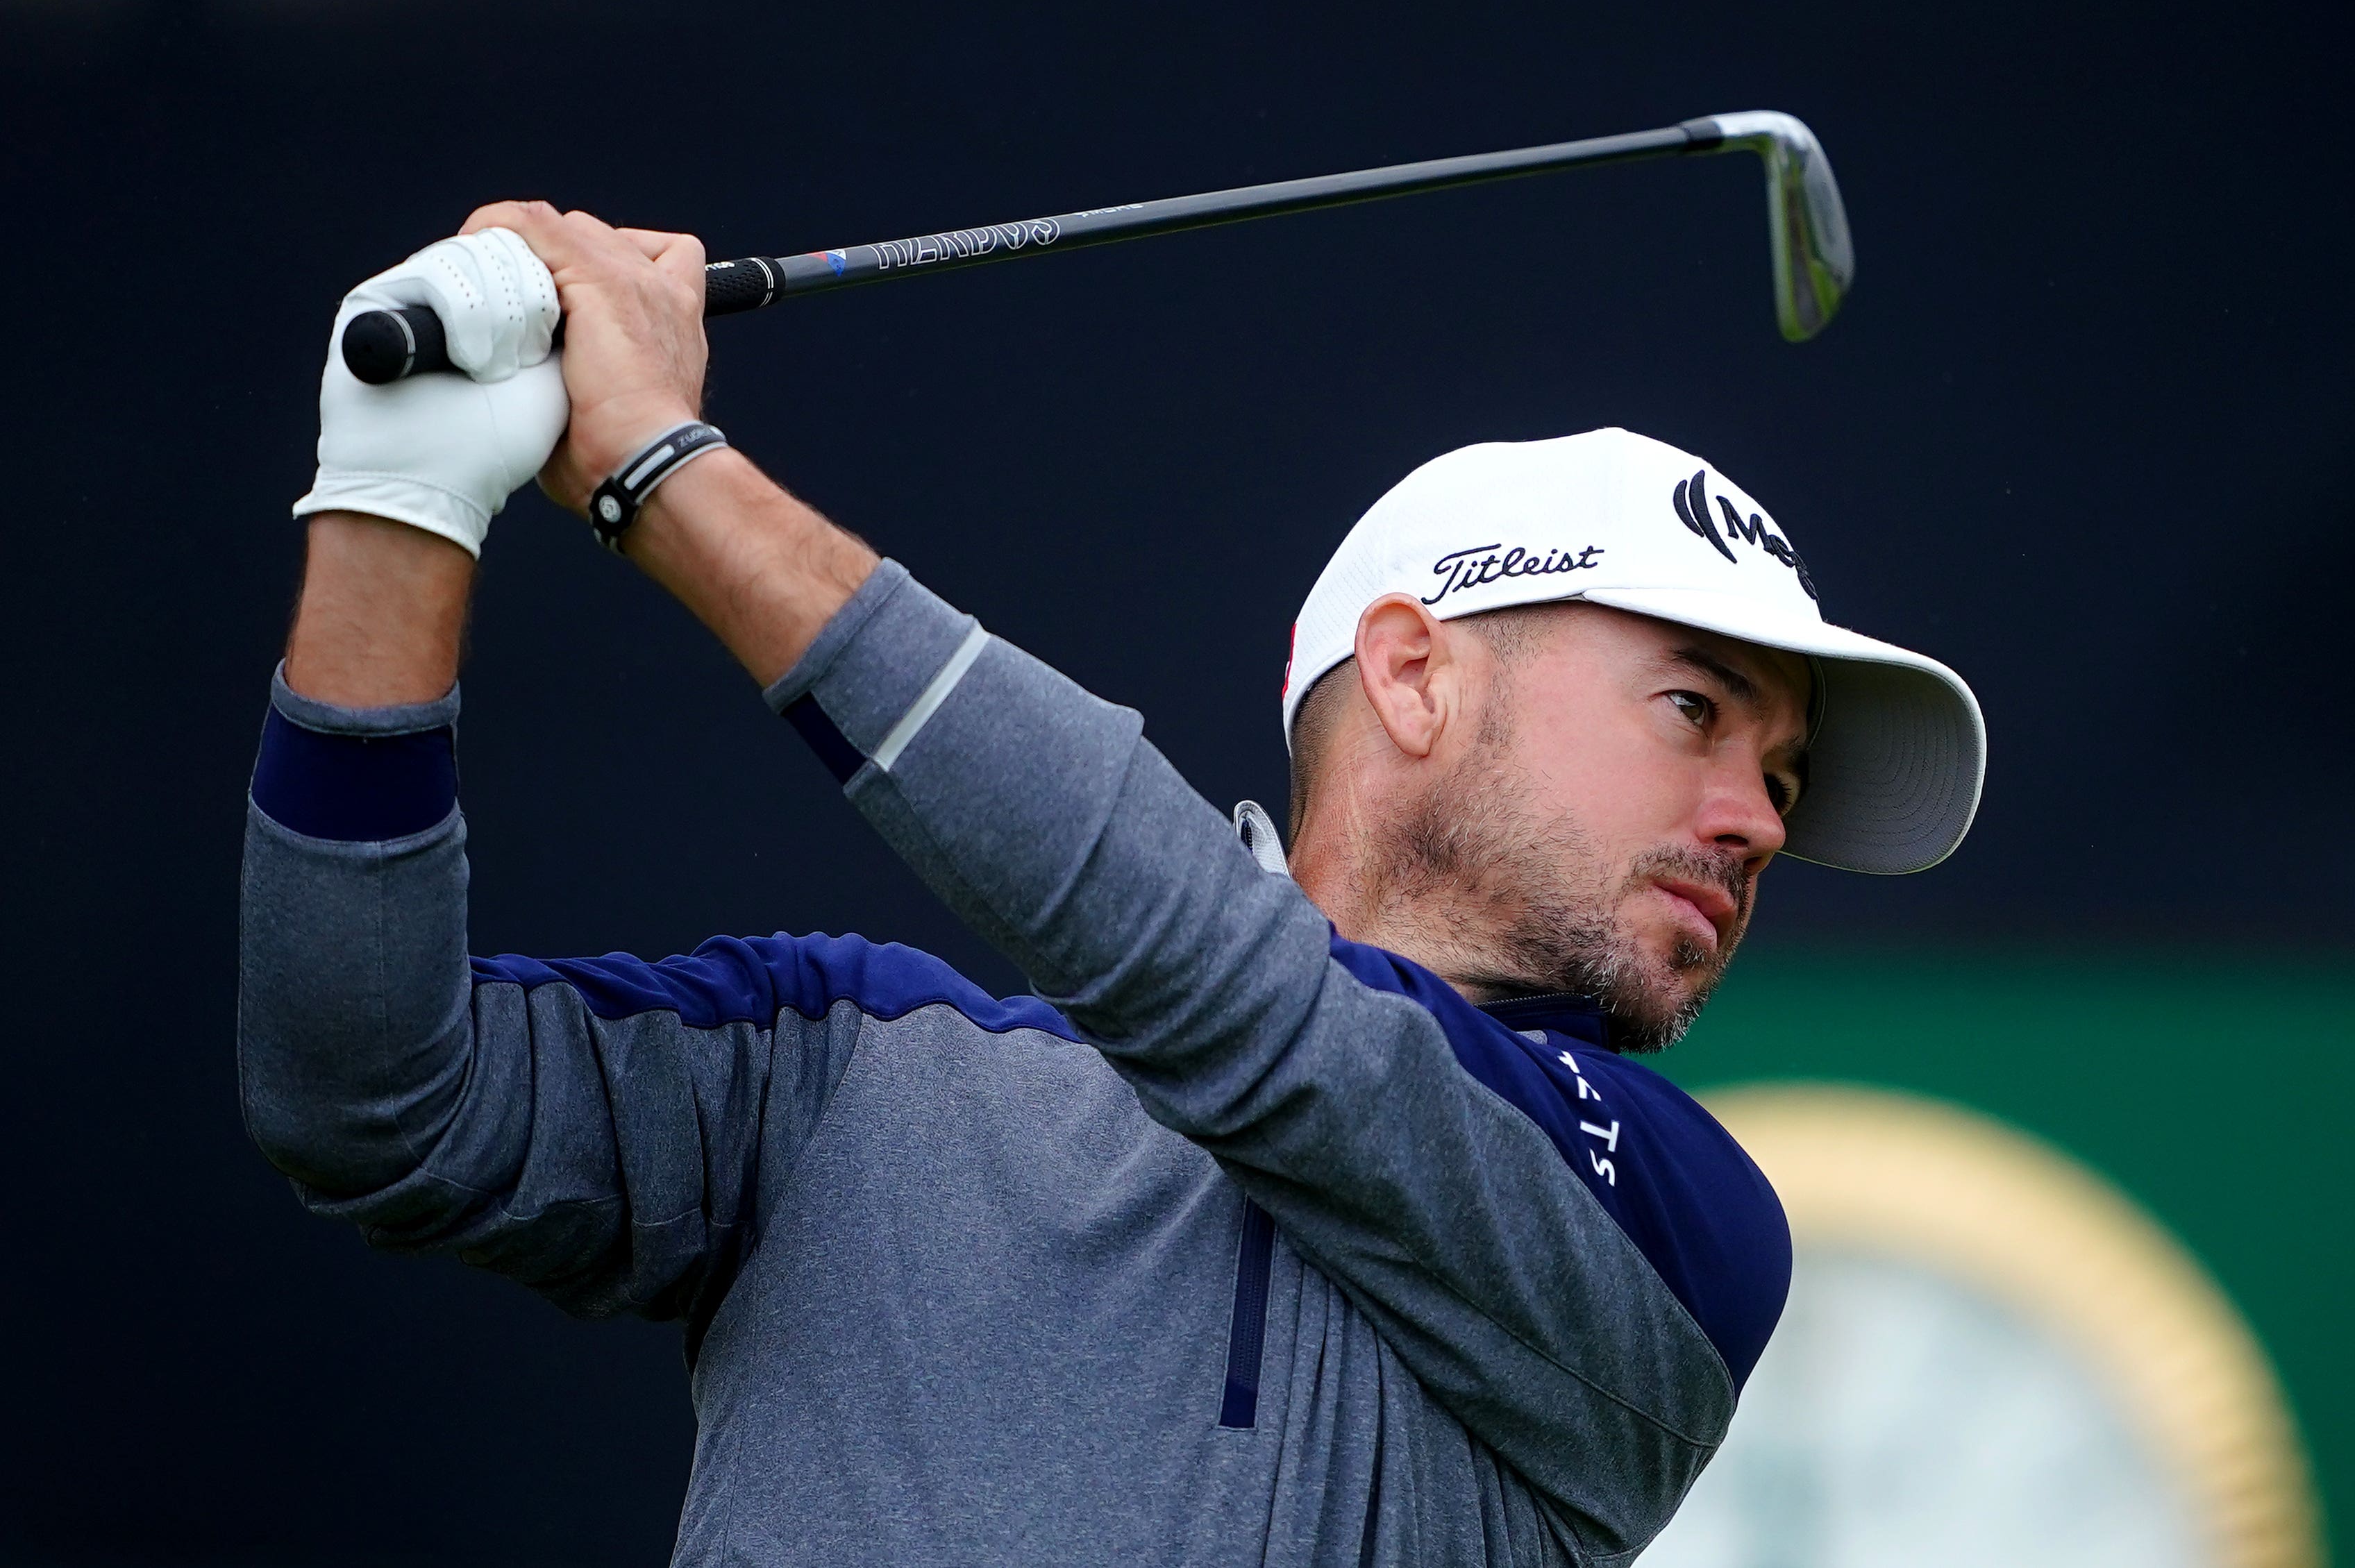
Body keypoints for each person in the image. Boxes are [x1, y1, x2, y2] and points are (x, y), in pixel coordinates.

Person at [240, 207, 1984, 1568]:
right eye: (1694, 710)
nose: (1753, 816)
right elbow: (374, 1100)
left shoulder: (1669, 1217)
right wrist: (399, 498)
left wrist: (658, 465)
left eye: (1783, 776)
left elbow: (1228, 990)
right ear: (1414, 677)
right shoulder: (853, 1066)